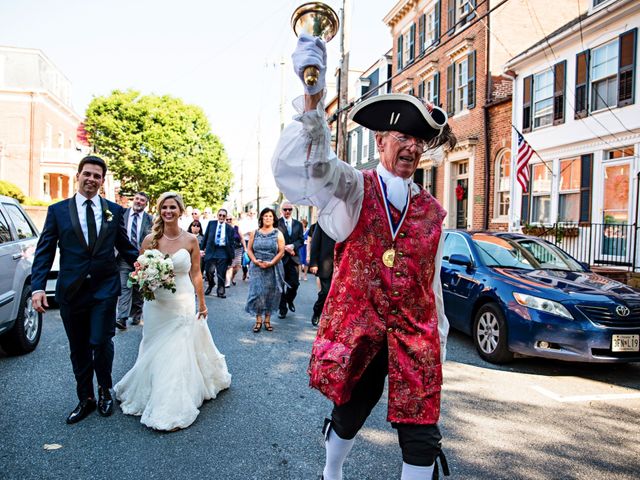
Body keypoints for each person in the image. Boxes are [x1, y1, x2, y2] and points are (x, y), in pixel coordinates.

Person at [271, 34, 457, 480]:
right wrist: (314, 99)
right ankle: (331, 471)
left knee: (422, 434)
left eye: (418, 140)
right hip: (362, 328)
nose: (411, 147)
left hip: (415, 334)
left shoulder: (433, 211)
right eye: (401, 137)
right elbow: (315, 169)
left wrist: (440, 336)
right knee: (350, 414)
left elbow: (429, 281)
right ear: (380, 143)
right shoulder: (355, 188)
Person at [30, 155, 139, 424]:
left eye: (97, 176)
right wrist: (37, 288)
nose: (91, 179)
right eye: (87, 174)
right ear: (78, 175)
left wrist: (146, 265)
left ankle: (104, 391)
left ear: (102, 181)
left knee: (101, 342)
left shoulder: (114, 210)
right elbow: (44, 251)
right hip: (72, 291)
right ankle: (85, 398)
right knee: (78, 347)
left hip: (104, 288)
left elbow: (125, 246)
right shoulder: (57, 211)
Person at [114, 192, 231, 431]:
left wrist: (202, 302)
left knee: (177, 349)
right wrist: (147, 281)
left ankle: (172, 403)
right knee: (153, 346)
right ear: (159, 211)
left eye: (173, 207)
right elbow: (139, 271)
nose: (168, 211)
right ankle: (151, 389)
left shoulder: (190, 240)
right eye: (164, 207)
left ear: (180, 211)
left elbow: (196, 273)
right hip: (156, 303)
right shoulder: (149, 240)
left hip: (182, 300)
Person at [116, 192, 153, 330]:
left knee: (138, 288)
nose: (138, 201)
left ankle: (136, 313)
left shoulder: (150, 219)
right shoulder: (122, 214)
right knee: (125, 286)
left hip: (141, 258)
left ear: (145, 203)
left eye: (142, 200)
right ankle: (122, 318)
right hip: (124, 258)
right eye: (137, 199)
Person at [245, 207, 285, 333]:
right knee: (257, 293)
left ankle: (267, 320)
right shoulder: (254, 233)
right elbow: (249, 249)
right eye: (265, 216)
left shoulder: (278, 233)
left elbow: (281, 251)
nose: (268, 218)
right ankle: (258, 321)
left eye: (270, 216)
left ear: (274, 219)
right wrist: (255, 261)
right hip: (257, 266)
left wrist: (272, 262)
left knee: (270, 293)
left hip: (273, 266)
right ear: (261, 218)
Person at [276, 200, 304, 318]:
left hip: (293, 259)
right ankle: (282, 310)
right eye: (285, 209)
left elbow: (301, 240)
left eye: (290, 209)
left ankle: (289, 300)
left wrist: (293, 246)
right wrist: (285, 248)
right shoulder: (276, 223)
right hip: (281, 258)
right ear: (281, 210)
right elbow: (273, 239)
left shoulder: (298, 224)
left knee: (294, 284)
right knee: (280, 286)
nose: (287, 211)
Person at [202, 208, 235, 298]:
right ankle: (211, 284)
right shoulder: (211, 224)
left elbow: (232, 244)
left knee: (221, 273)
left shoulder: (230, 229)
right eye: (220, 215)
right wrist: (201, 249)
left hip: (223, 251)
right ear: (217, 215)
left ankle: (221, 291)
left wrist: (231, 257)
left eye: (223, 216)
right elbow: (205, 236)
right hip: (211, 250)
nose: (221, 217)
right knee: (209, 270)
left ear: (225, 217)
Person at [308, 222, 336, 327]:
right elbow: (315, 243)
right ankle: (317, 312)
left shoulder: (347, 221)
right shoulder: (323, 222)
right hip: (326, 264)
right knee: (325, 292)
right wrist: (314, 263)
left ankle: (332, 319)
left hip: (343, 263)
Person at [225, 216, 244, 287]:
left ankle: (232, 277)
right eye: (227, 219)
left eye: (230, 219)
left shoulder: (236, 228)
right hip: (228, 249)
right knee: (230, 266)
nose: (228, 220)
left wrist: (245, 248)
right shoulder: (224, 228)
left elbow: (242, 238)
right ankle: (228, 282)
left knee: (237, 266)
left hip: (238, 249)